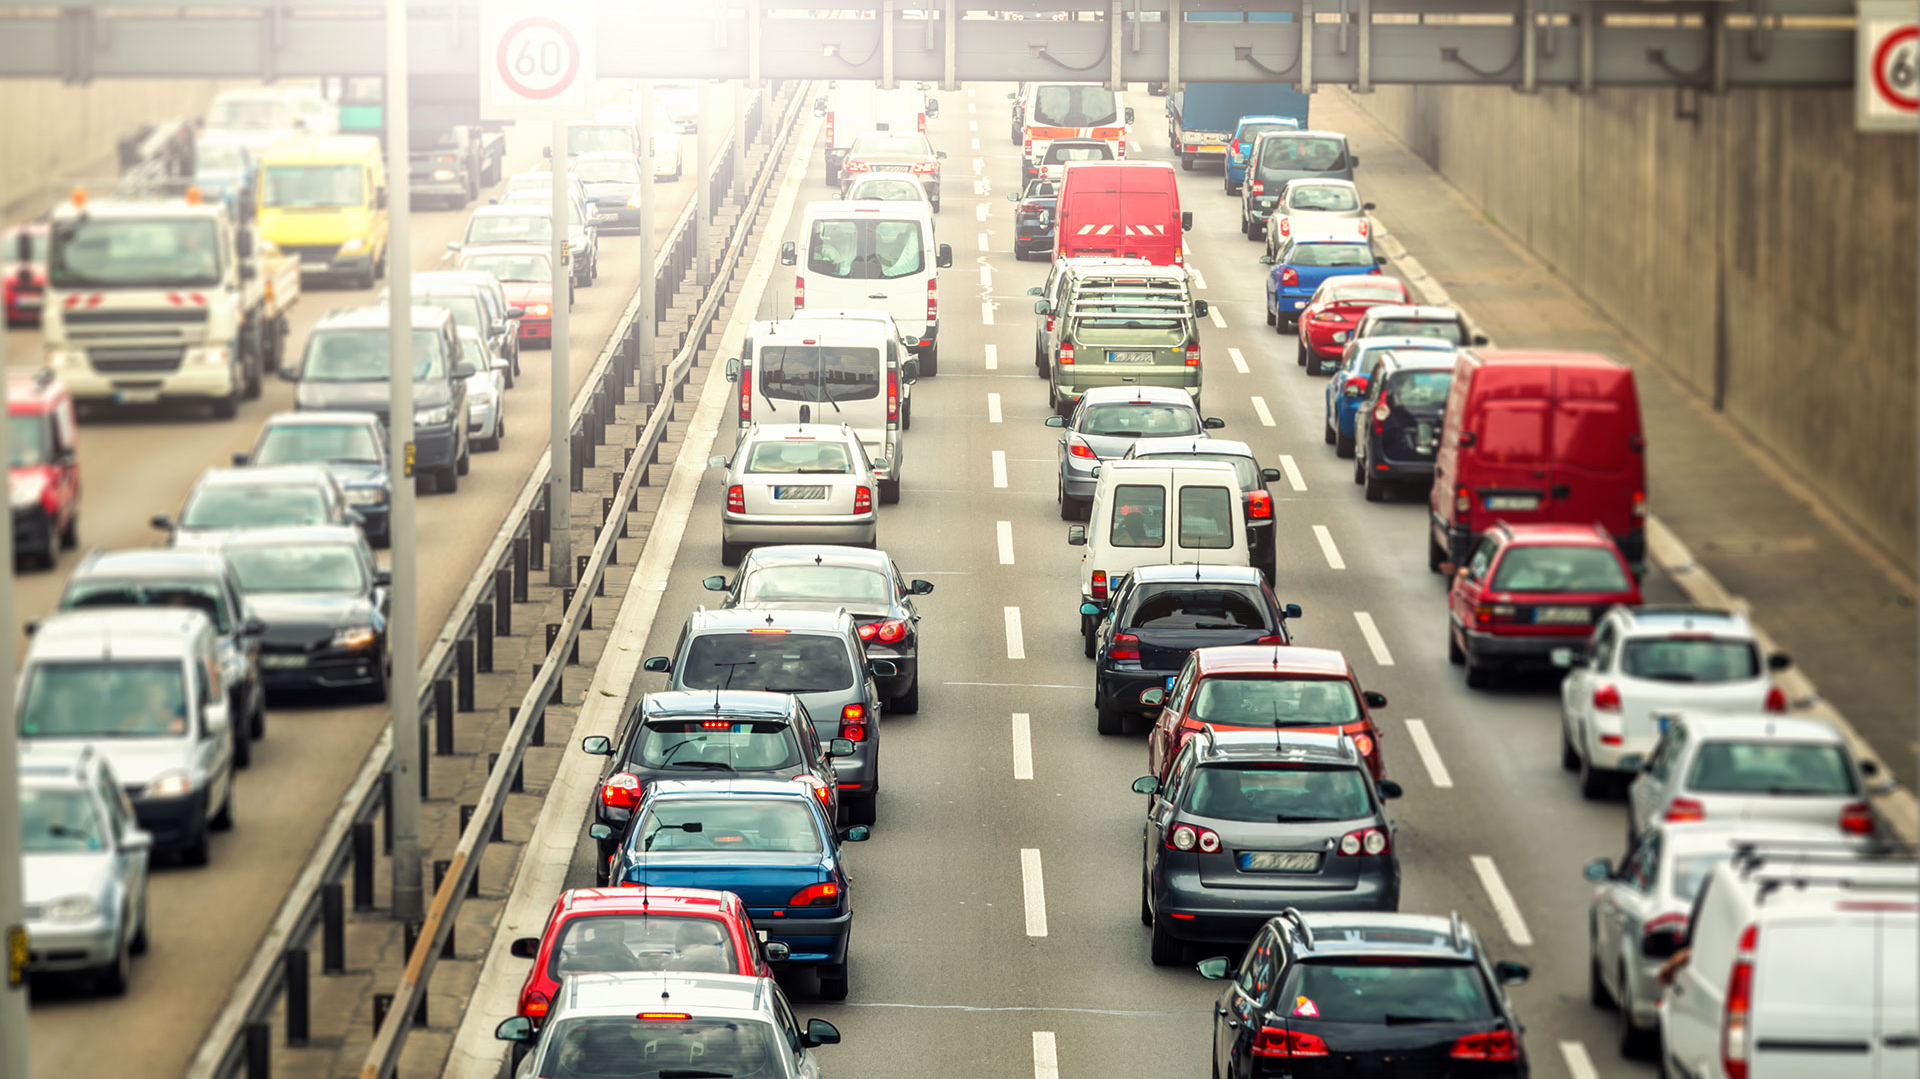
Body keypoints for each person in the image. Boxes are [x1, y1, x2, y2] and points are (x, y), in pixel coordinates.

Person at [122, 678, 187, 736]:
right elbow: (121, 740)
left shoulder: (175, 721)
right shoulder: (132, 720)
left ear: (165, 697)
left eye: (156, 695)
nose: (152, 699)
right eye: (149, 695)